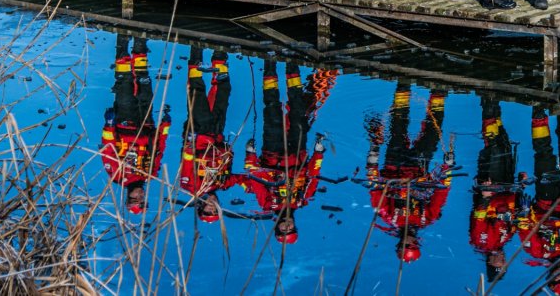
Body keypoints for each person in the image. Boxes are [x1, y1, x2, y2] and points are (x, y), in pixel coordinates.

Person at [241, 61, 337, 244]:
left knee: (272, 109)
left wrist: (250, 155)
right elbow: (313, 175)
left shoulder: (267, 203)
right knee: (298, 109)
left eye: (283, 230)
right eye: (290, 229)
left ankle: (270, 65)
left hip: (272, 151)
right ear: (295, 225)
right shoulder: (303, 199)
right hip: (297, 150)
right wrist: (318, 153)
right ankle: (292, 65)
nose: (287, 227)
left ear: (277, 227)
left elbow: (255, 178)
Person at [358, 83, 455, 263]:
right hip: (419, 168)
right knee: (432, 134)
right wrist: (447, 167)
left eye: (404, 246)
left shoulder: (388, 216)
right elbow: (442, 192)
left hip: (394, 166)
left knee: (398, 128)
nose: (408, 242)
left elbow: (374, 189)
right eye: (411, 245)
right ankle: (438, 95)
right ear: (418, 243)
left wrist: (372, 158)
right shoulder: (428, 218)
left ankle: (403, 87)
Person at [516, 107, 560, 295]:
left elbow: (525, 229)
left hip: (546, 201)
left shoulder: (538, 253)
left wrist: (523, 213)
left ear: (550, 278)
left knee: (544, 156)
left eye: (557, 280)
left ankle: (538, 117)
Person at [100, 34, 170, 214]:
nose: (139, 195)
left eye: (135, 199)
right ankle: (140, 45)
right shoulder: (150, 174)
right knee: (144, 81)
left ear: (128, 197)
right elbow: (158, 148)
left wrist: (108, 125)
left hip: (124, 122)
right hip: (146, 123)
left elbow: (108, 150)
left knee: (124, 82)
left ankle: (122, 41)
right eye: (141, 199)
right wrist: (164, 127)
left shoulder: (117, 175)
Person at [470, 97, 528, 282]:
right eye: (504, 264)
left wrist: (485, 197)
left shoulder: (482, 242)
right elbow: (515, 214)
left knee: (493, 147)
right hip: (508, 187)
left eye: (499, 264)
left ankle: (488, 104)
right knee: (504, 144)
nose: (503, 260)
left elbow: (479, 216)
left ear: (491, 263)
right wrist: (521, 188)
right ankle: (495, 107)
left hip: (491, 188)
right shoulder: (505, 240)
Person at [177, 46, 237, 222]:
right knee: (222, 94)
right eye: (214, 210)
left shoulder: (191, 185)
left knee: (197, 92)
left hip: (199, 134)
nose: (212, 206)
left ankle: (196, 51)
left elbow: (187, 162)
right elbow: (238, 176)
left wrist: (189, 143)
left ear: (201, 206)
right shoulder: (222, 184)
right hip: (217, 133)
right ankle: (220, 55)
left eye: (208, 209)